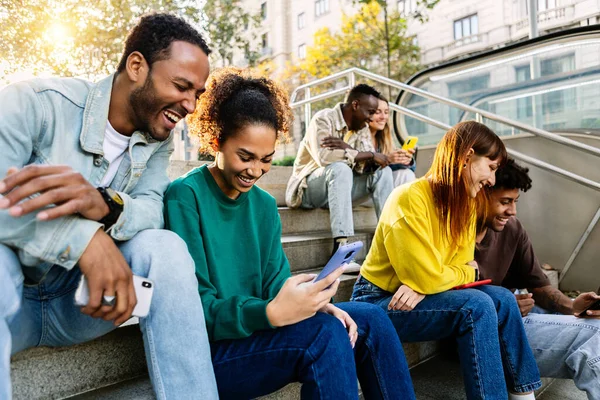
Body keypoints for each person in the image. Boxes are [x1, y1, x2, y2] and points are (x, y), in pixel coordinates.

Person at [0, 13, 218, 400]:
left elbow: (152, 206)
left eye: (197, 94)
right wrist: (82, 239)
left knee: (165, 248)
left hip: (84, 304)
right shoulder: (35, 103)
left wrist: (104, 205)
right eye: (182, 86)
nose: (190, 106)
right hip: (11, 301)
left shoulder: (158, 140)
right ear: (137, 66)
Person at [164, 67, 416, 400]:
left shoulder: (264, 205)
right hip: (211, 352)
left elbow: (274, 285)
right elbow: (198, 308)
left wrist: (313, 304)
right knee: (323, 335)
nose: (255, 171)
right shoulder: (185, 196)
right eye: (245, 157)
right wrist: (269, 313)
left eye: (266, 159)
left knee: (370, 317)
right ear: (216, 141)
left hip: (260, 330)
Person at [351, 121, 542, 400]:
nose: (491, 180)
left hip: (420, 297)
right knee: (476, 305)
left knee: (501, 298)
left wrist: (433, 279)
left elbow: (465, 271)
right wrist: (435, 278)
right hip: (380, 300)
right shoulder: (408, 198)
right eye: (490, 167)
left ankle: (524, 396)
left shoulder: (466, 205)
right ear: (466, 157)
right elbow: (442, 275)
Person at [475, 158, 600, 399]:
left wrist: (573, 305)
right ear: (480, 194)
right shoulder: (452, 235)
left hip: (514, 324)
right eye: (505, 202)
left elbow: (539, 285)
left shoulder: (512, 229)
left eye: (515, 202)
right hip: (483, 335)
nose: (512, 211)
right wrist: (507, 305)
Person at [285, 84, 394, 263]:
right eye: (370, 111)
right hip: (307, 189)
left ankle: (391, 242)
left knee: (384, 172)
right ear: (356, 105)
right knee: (340, 168)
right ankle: (341, 249)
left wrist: (349, 149)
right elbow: (325, 158)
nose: (372, 117)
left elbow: (363, 166)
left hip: (340, 191)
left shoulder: (362, 128)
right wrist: (368, 154)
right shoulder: (323, 119)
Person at [346, 94, 416, 187]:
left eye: (386, 112)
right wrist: (387, 160)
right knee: (385, 172)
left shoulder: (384, 140)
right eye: (378, 112)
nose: (383, 117)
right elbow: (359, 170)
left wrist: (405, 161)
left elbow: (395, 169)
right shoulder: (356, 136)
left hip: (377, 183)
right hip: (356, 186)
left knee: (406, 174)